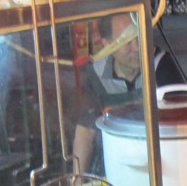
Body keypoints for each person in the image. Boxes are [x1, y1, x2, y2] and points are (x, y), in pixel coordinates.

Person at [72, 12, 181, 174]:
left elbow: (180, 123)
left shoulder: (162, 67)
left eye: (139, 36)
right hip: (113, 163)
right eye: (127, 41)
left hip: (160, 166)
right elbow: (86, 131)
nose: (137, 47)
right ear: (107, 44)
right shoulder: (96, 75)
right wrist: (76, 184)